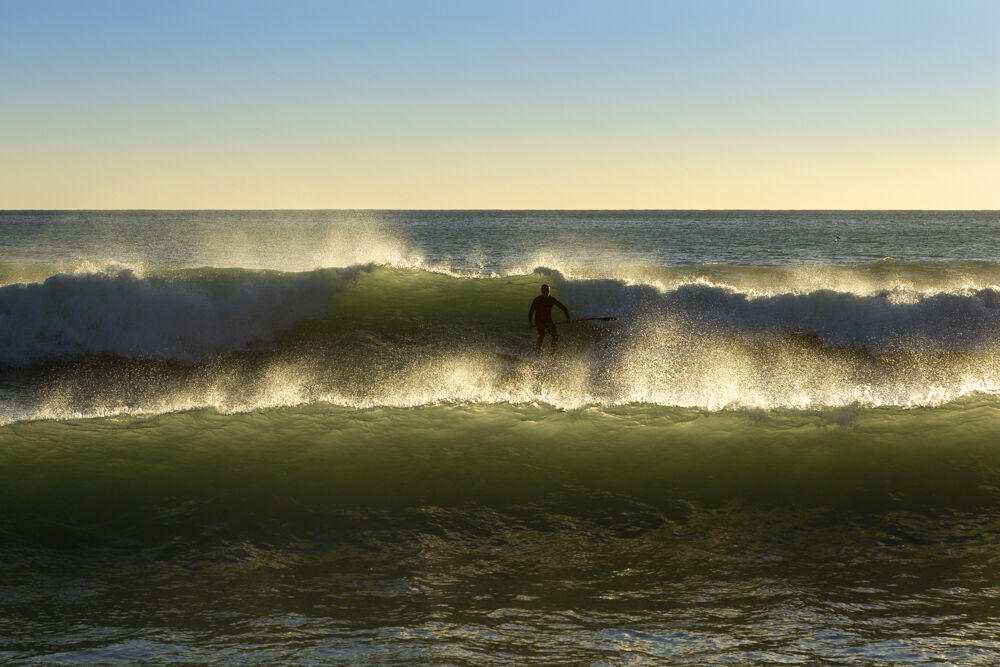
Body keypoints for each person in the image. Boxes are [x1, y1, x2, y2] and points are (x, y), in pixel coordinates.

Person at [528, 284, 570, 356]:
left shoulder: (552, 299)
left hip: (548, 320)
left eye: (547, 290)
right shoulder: (537, 299)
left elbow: (564, 308)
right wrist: (530, 322)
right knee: (542, 334)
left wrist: (568, 318)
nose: (546, 292)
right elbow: (531, 312)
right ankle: (537, 352)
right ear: (541, 291)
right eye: (544, 290)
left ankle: (551, 354)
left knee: (555, 336)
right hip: (539, 320)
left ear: (549, 291)